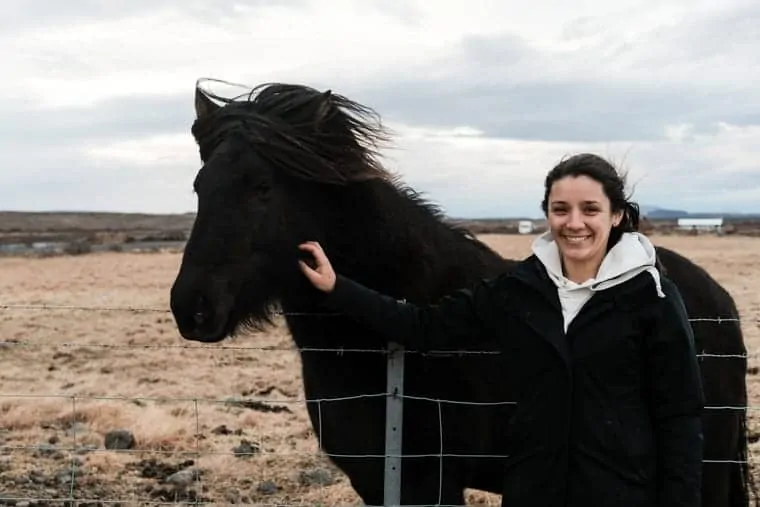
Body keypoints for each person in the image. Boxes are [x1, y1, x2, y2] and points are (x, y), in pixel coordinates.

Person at [297, 153, 705, 507]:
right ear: (547, 213)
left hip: (619, 494)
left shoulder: (653, 297)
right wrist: (339, 288)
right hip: (535, 493)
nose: (574, 223)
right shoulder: (519, 289)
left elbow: (680, 414)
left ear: (616, 215)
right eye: (561, 209)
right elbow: (425, 326)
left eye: (590, 209)